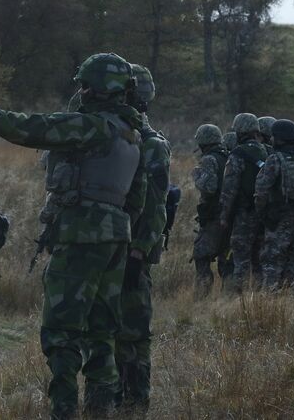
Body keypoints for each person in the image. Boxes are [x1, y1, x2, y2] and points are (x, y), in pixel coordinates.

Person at [0, 52, 147, 418]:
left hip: (81, 236)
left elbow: (31, 128)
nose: (81, 92)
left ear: (99, 88)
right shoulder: (132, 135)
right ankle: (100, 410)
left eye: (85, 85)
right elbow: (138, 199)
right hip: (116, 240)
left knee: (61, 331)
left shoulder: (92, 126)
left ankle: (63, 410)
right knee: (102, 331)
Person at [115, 63, 170, 414]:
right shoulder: (114, 137)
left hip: (132, 251)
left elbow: (156, 206)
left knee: (133, 331)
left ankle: (135, 401)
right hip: (108, 247)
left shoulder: (151, 144)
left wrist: (138, 253)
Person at [255, 120, 294, 291]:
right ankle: (293, 302)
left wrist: (263, 215)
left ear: (279, 138)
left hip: (278, 219)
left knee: (271, 263)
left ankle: (269, 301)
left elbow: (261, 190)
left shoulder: (274, 159)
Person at [219, 113, 268, 294]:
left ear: (239, 131)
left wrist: (224, 216)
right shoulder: (268, 151)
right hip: (264, 215)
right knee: (259, 259)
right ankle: (261, 297)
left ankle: (236, 298)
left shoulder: (237, 154)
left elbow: (229, 189)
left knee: (240, 260)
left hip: (244, 215)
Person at [192, 124, 233, 298]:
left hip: (214, 217)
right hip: (229, 216)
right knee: (226, 258)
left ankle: (201, 298)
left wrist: (196, 176)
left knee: (201, 255)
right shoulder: (228, 155)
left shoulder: (209, 159)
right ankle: (229, 299)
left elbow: (209, 188)